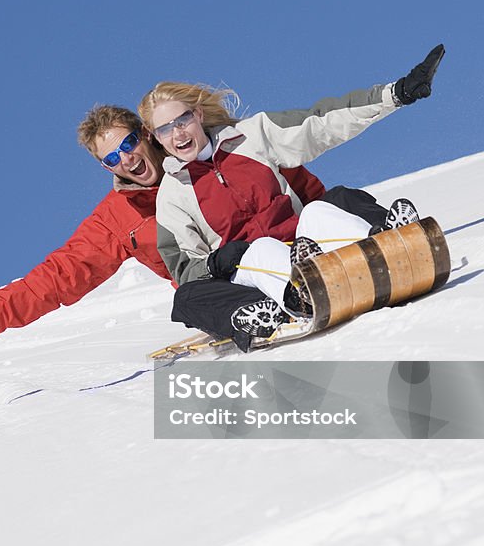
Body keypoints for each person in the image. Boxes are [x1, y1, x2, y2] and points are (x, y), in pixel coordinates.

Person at [0, 104, 332, 348]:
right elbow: (61, 274)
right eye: (110, 159)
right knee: (188, 299)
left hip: (286, 249)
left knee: (340, 202)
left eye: (127, 145)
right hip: (225, 283)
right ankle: (255, 317)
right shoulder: (117, 218)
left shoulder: (201, 150)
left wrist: (321, 216)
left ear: (144, 136)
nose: (126, 160)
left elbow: (292, 180)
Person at [138, 44, 445, 350]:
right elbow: (186, 270)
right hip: (252, 273)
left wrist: (396, 94)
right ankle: (297, 296)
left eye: (182, 121)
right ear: (156, 138)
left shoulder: (252, 135)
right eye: (165, 130)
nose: (177, 134)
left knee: (323, 208)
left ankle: (390, 247)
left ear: (198, 114)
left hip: (303, 246)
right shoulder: (171, 195)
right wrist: (217, 261)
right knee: (210, 283)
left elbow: (319, 123)